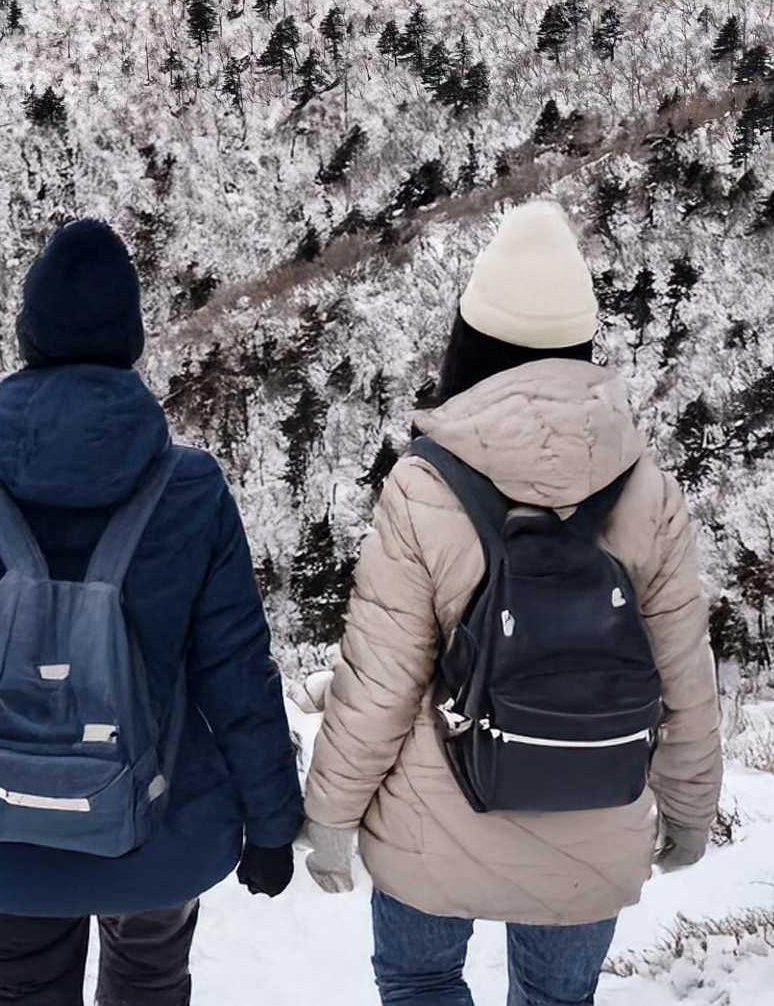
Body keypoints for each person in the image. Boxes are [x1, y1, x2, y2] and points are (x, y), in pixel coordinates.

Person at [0, 217, 303, 1006]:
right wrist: (270, 821)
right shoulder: (189, 492)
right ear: (130, 342)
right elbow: (236, 675)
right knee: (149, 983)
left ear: (28, 338)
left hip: (1, 830)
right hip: (157, 830)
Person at [299, 200, 722, 1006]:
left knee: (420, 982)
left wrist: (329, 814)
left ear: (470, 344)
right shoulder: (647, 491)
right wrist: (689, 808)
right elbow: (683, 675)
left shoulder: (425, 484)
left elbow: (380, 682)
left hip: (433, 821)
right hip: (593, 816)